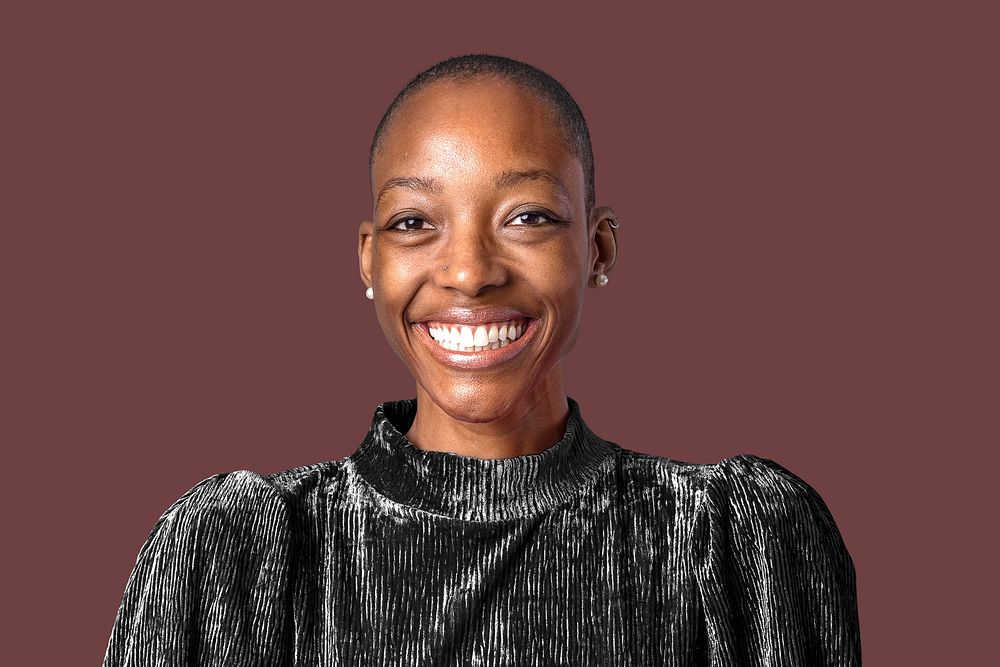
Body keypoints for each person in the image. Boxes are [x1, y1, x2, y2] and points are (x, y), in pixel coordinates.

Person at [104, 54, 860, 666]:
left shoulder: (730, 542)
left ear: (596, 248)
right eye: (414, 221)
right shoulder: (239, 554)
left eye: (526, 216)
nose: (468, 271)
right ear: (370, 260)